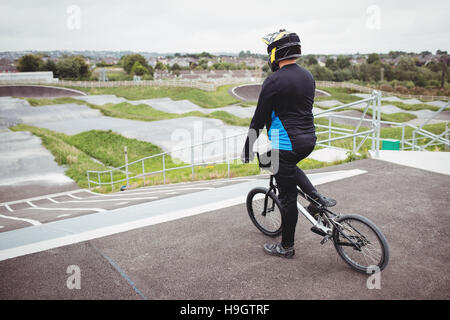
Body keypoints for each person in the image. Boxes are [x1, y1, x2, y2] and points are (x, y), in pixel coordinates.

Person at [241, 29, 336, 259]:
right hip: (308, 140)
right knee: (285, 166)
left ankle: (286, 247)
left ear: (276, 53)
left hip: (286, 144)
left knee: (287, 197)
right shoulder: (308, 76)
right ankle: (316, 199)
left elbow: (260, 118)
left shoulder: (273, 81)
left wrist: (248, 147)